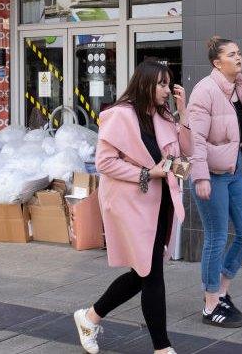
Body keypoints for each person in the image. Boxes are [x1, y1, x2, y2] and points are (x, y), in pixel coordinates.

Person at [73, 58, 191, 354]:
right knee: (151, 274)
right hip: (131, 204)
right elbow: (105, 163)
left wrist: (183, 112)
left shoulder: (164, 116)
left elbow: (186, 152)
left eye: (168, 83)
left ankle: (89, 317)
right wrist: (147, 173)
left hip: (160, 202)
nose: (167, 89)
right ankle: (162, 348)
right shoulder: (119, 115)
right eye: (161, 84)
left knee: (143, 272)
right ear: (145, 83)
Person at [187, 36, 242, 328]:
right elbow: (195, 139)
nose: (238, 57)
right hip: (211, 175)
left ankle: (221, 290)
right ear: (217, 62)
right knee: (216, 237)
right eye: (231, 54)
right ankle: (210, 305)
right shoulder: (204, 91)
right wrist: (201, 177)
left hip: (233, 172)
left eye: (239, 53)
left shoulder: (240, 88)